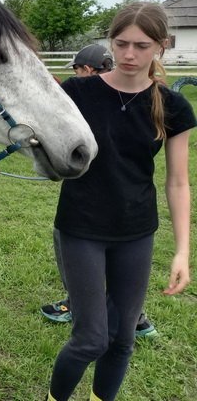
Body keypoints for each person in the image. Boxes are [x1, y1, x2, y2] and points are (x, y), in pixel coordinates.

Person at [45, 3, 194, 401]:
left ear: (161, 47)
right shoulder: (76, 92)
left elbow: (178, 183)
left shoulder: (173, 107)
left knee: (122, 339)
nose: (130, 54)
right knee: (91, 338)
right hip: (81, 228)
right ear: (110, 42)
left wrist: (182, 251)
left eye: (142, 46)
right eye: (121, 43)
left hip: (135, 232)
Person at [42, 44, 158, 338]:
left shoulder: (83, 94)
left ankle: (75, 304)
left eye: (78, 69)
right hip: (133, 200)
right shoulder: (145, 96)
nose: (77, 74)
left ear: (89, 70)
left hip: (87, 199)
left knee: (69, 244)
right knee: (123, 258)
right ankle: (137, 317)